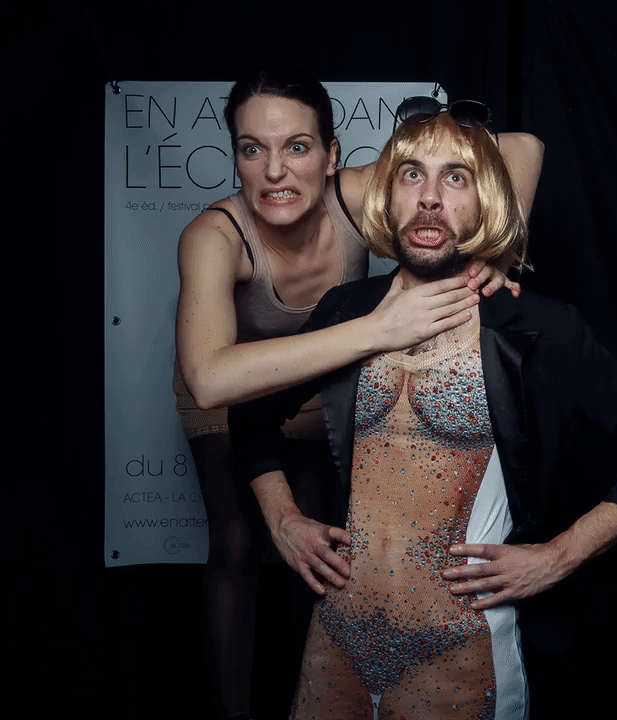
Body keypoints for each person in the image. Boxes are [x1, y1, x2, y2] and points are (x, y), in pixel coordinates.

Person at [228, 103, 617, 719]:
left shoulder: (534, 327)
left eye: (456, 177)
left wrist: (558, 556)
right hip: (336, 643)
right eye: (412, 174)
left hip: (461, 649)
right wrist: (284, 520)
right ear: (387, 195)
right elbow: (250, 415)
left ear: (486, 202)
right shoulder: (348, 312)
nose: (430, 198)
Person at [172, 66, 544, 720]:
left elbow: (522, 148)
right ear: (235, 156)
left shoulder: (354, 194)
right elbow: (210, 379)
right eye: (252, 149)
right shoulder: (213, 235)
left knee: (326, 550)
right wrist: (377, 329)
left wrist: (496, 253)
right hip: (235, 390)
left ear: (331, 155)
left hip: (322, 385)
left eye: (297, 147)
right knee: (236, 542)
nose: (276, 172)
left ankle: (319, 690)